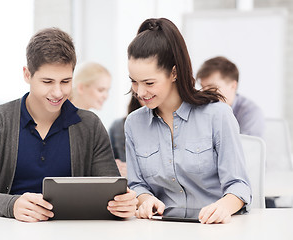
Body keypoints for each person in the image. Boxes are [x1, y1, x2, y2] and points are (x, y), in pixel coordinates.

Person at [0, 28, 137, 222]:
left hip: (73, 232)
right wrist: (12, 205)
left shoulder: (90, 126)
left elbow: (110, 192)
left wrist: (123, 203)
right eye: (47, 81)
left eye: (65, 81)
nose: (58, 92)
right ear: (27, 75)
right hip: (9, 229)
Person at [125, 18, 252, 224]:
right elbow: (137, 184)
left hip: (213, 229)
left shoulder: (217, 115)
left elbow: (239, 185)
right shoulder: (133, 124)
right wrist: (146, 200)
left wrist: (222, 207)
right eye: (133, 81)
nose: (140, 92)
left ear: (173, 73)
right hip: (160, 229)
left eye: (149, 82)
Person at [196, 56, 265, 138]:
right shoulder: (202, 109)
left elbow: (246, 149)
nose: (204, 93)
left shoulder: (250, 113)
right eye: (202, 87)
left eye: (212, 87)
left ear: (233, 86)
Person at [109, 95, 143, 177]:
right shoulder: (118, 127)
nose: (142, 92)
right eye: (135, 82)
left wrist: (133, 174)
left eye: (149, 83)